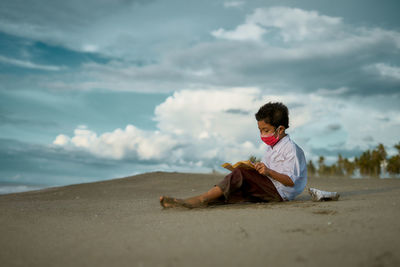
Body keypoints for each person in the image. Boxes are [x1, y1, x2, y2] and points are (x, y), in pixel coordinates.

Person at [159, 102, 307, 208]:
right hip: (270, 187)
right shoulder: (271, 147)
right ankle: (195, 202)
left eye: (266, 130)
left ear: (280, 129)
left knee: (241, 174)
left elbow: (290, 181)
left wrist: (268, 171)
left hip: (280, 193)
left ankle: (201, 199)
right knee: (237, 186)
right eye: (260, 130)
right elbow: (266, 172)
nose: (262, 134)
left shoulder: (291, 149)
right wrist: (256, 169)